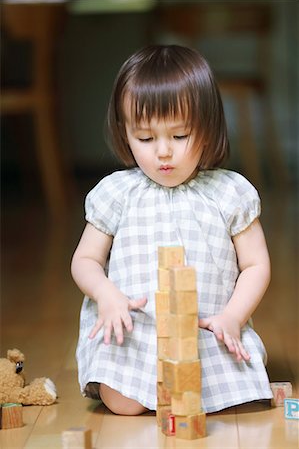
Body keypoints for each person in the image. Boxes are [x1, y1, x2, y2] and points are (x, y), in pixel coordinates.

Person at [71, 45, 273, 416]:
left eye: (180, 136)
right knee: (123, 403)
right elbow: (85, 259)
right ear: (125, 132)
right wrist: (106, 294)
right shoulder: (117, 193)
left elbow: (256, 265)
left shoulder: (230, 192)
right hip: (135, 331)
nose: (163, 152)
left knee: (224, 399)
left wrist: (233, 317)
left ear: (208, 129)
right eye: (145, 138)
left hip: (208, 331)